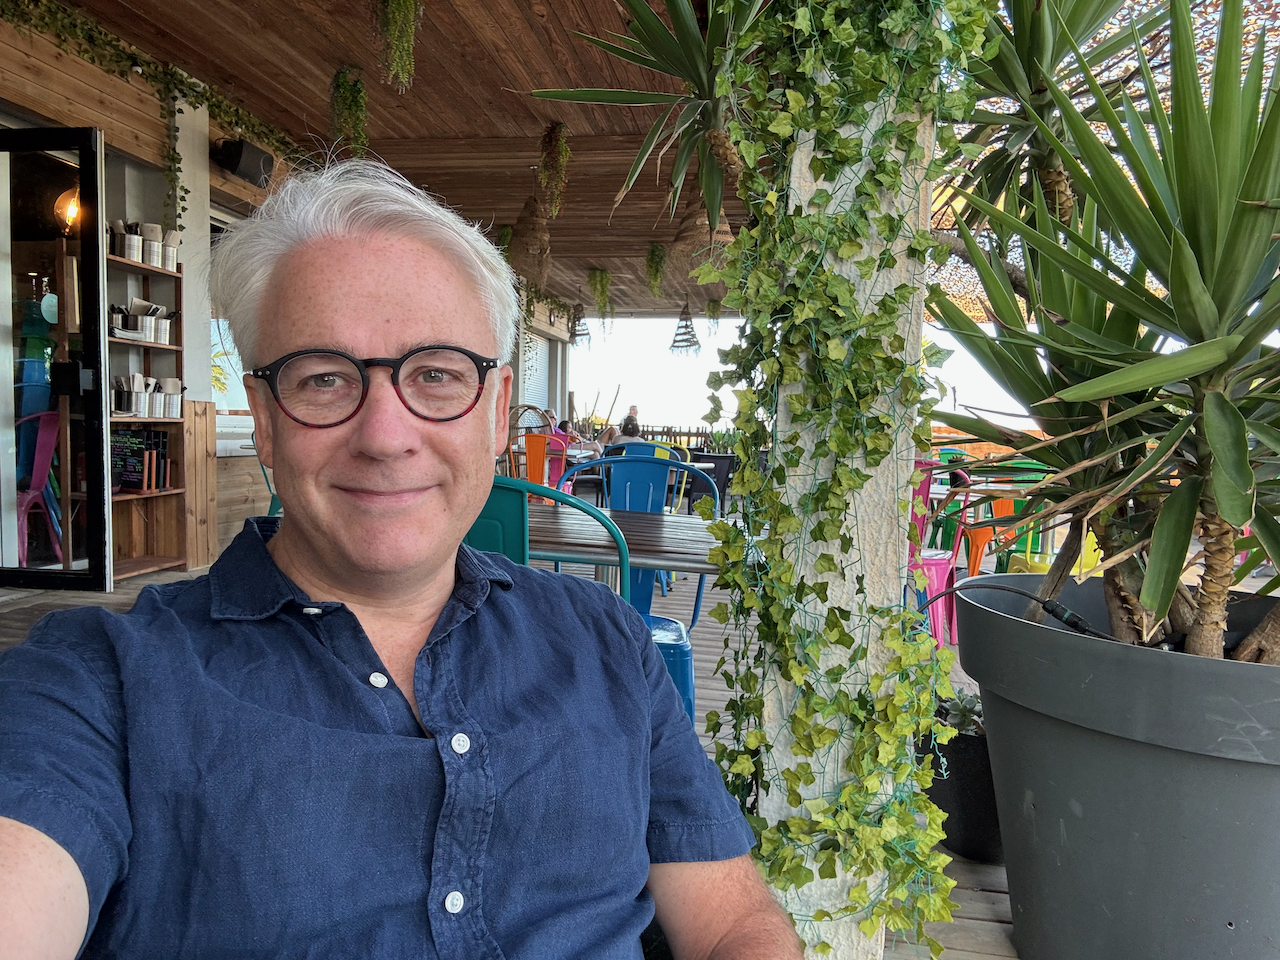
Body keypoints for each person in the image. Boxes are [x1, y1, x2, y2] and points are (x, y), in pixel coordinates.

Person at [0, 161, 800, 960]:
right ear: (265, 421)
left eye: (437, 375)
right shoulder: (98, 683)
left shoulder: (607, 643)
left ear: (496, 412)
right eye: (322, 379)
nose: (385, 437)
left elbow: (733, 924)